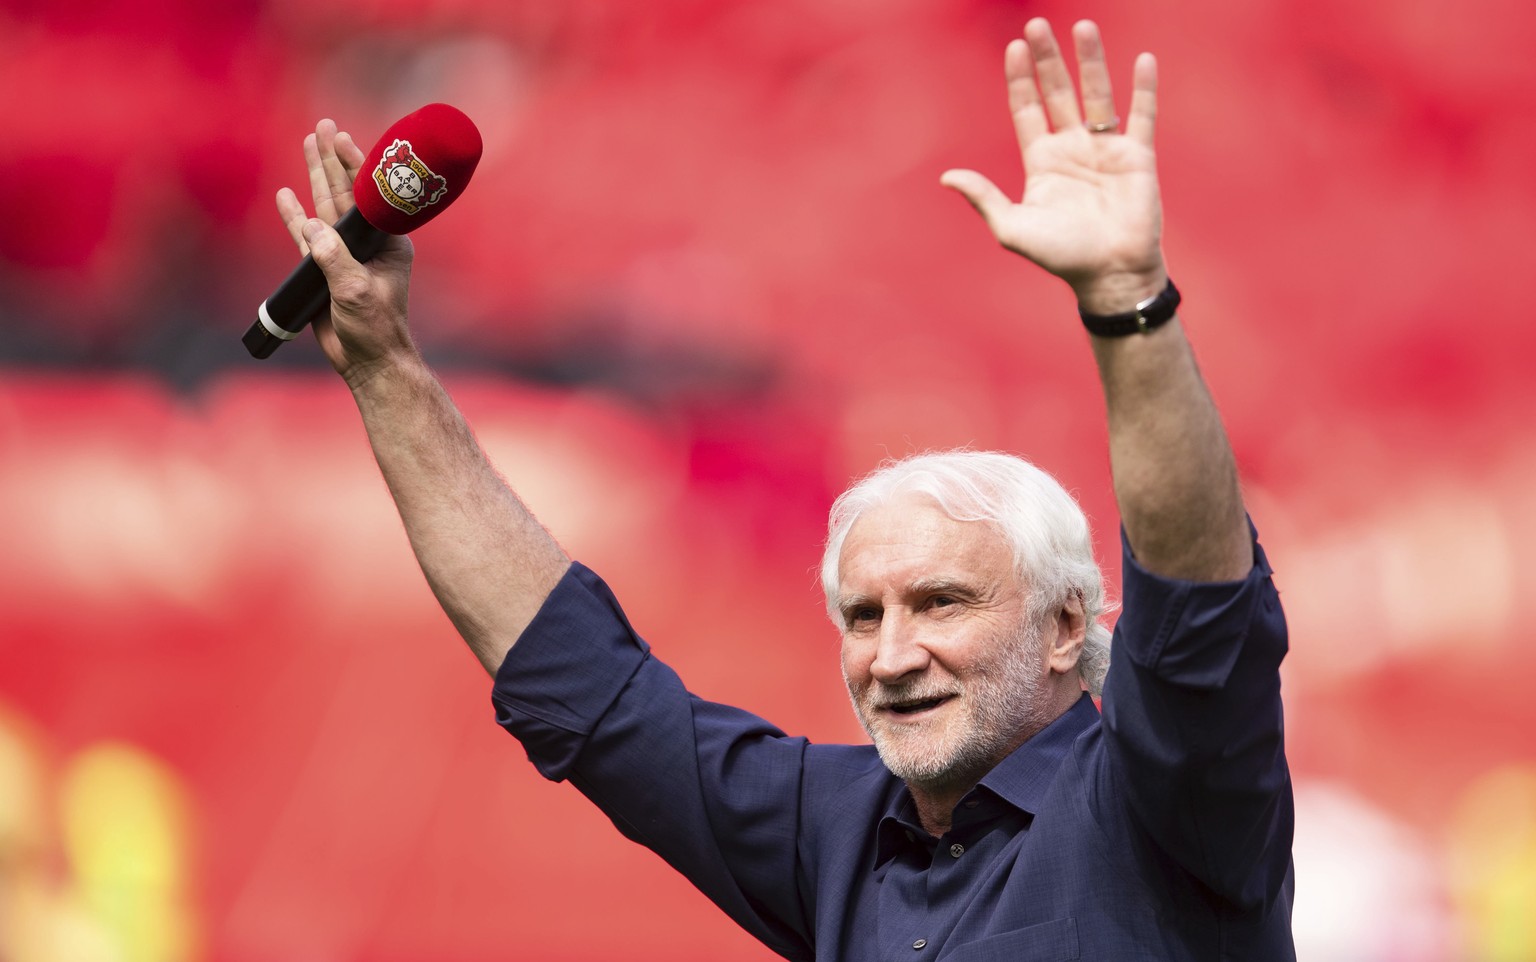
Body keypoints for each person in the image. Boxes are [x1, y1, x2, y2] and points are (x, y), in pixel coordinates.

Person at [277, 17, 1294, 960]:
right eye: (863, 614)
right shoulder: (832, 829)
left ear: (1068, 621)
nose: (892, 654)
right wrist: (381, 365)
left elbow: (1199, 603)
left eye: (941, 600)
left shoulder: (1171, 806)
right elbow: (577, 677)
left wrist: (1127, 301)